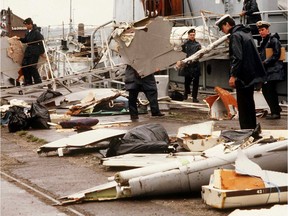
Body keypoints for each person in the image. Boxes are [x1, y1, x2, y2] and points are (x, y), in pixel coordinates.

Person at [215, 14, 266, 130]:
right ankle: (252, 128)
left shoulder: (236, 35)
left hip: (242, 76)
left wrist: (233, 75)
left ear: (227, 24)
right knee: (249, 103)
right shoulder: (246, 32)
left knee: (243, 105)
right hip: (251, 74)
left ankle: (246, 130)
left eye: (222, 28)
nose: (223, 31)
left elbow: (237, 57)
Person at [256, 21, 284, 119]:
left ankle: (275, 112)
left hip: (274, 70)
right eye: (259, 30)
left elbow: (276, 54)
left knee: (270, 91)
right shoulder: (264, 41)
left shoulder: (273, 40)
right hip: (269, 71)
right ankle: (275, 109)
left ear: (268, 30)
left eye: (263, 30)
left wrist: (265, 62)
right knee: (266, 90)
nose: (261, 32)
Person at [17, 18, 44, 85]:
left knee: (32, 67)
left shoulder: (36, 32)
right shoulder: (28, 32)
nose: (26, 26)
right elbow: (26, 40)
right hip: (29, 51)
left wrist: (41, 52)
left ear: (30, 24)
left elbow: (41, 41)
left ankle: (38, 82)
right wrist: (19, 39)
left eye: (26, 25)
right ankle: (28, 81)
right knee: (24, 65)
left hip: (35, 51)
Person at [180, 28, 201, 102]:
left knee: (196, 82)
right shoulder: (185, 44)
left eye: (193, 35)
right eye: (191, 35)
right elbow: (181, 54)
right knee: (187, 81)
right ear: (188, 35)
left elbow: (200, 54)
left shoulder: (197, 45)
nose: (192, 36)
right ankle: (186, 92)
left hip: (195, 65)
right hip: (188, 65)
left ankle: (194, 97)